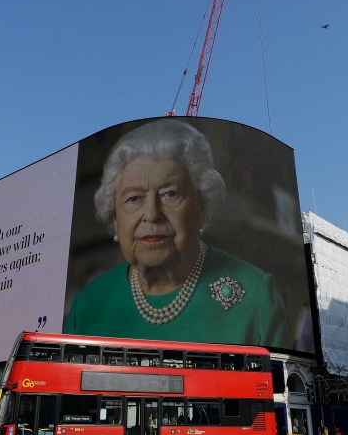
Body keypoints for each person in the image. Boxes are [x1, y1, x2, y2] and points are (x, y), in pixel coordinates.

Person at [64, 120, 291, 347]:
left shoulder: (256, 295)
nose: (152, 214)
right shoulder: (87, 305)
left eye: (170, 194)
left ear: (201, 206)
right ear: (115, 218)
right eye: (134, 198)